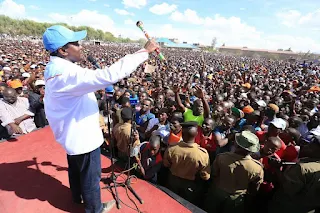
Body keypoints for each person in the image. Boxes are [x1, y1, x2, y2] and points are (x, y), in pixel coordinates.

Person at [42, 25, 159, 213]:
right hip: (83, 138)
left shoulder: (56, 68)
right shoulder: (67, 74)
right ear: (63, 51)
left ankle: (78, 197)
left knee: (76, 170)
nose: (81, 46)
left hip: (73, 135)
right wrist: (144, 51)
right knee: (91, 177)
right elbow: (110, 75)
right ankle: (95, 209)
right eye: (76, 43)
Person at [204, 131, 264, 213]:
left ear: (236, 144)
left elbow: (214, 174)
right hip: (236, 199)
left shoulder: (222, 157)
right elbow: (254, 188)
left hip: (216, 193)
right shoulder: (257, 168)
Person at [163, 121, 211, 205]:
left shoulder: (172, 148)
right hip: (190, 185)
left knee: (169, 202)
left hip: (173, 181)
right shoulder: (202, 154)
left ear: (182, 134)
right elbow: (205, 176)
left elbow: (166, 164)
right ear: (196, 134)